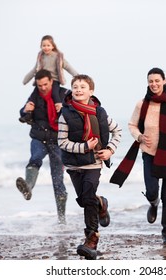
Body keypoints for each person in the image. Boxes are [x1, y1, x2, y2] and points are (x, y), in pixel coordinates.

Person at [110, 67, 166, 244]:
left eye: (157, 81)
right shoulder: (142, 104)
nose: (154, 84)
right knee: (153, 191)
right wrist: (139, 136)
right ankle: (153, 204)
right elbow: (132, 125)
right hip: (149, 153)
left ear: (164, 80)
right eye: (150, 81)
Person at [58, 74, 122, 260]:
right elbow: (62, 142)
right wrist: (84, 147)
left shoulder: (100, 112)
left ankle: (91, 240)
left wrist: (110, 149)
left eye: (83, 87)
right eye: (75, 86)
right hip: (73, 164)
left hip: (94, 163)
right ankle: (101, 203)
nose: (78, 89)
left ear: (91, 91)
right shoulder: (65, 114)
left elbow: (117, 131)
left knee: (87, 197)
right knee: (86, 199)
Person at [16, 69, 68, 225]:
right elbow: (23, 114)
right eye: (40, 85)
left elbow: (76, 111)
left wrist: (63, 109)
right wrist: (26, 111)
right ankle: (28, 187)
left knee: (58, 180)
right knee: (35, 158)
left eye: (45, 84)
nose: (43, 88)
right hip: (39, 137)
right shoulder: (34, 96)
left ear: (51, 81)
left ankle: (61, 219)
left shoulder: (64, 94)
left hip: (58, 140)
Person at [21, 35, 78, 124]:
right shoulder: (41, 57)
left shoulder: (58, 57)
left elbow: (68, 67)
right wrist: (26, 80)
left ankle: (59, 114)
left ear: (52, 46)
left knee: (55, 95)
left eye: (48, 45)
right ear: (41, 46)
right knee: (33, 96)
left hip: (54, 80)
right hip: (41, 78)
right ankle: (28, 115)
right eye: (44, 45)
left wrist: (77, 76)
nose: (46, 47)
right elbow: (34, 70)